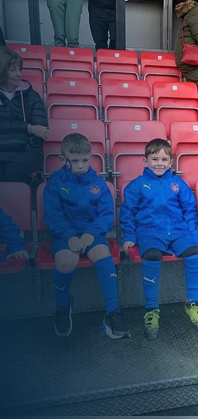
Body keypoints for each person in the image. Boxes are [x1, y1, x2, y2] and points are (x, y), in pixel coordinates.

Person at [44, 133, 130, 339]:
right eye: (75, 161)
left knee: (103, 254)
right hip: (64, 236)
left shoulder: (98, 184)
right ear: (63, 159)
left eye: (85, 159)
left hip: (92, 235)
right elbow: (53, 215)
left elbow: (106, 214)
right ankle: (63, 306)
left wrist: (91, 234)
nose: (81, 165)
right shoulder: (55, 183)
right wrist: (70, 236)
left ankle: (112, 312)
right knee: (66, 260)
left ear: (91, 156)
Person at [120, 139, 198, 340]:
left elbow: (189, 211)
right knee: (151, 255)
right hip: (149, 232)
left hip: (178, 230)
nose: (159, 163)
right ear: (145, 161)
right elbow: (127, 214)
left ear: (171, 162)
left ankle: (192, 304)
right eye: (154, 159)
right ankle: (151, 309)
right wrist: (129, 236)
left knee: (194, 253)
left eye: (164, 159)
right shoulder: (137, 186)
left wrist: (194, 234)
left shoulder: (178, 184)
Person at [0, 48, 48, 184]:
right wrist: (28, 128)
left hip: (27, 150)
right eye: (13, 70)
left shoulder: (31, 96)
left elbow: (41, 132)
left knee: (15, 172)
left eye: (20, 69)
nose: (18, 74)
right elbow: (34, 129)